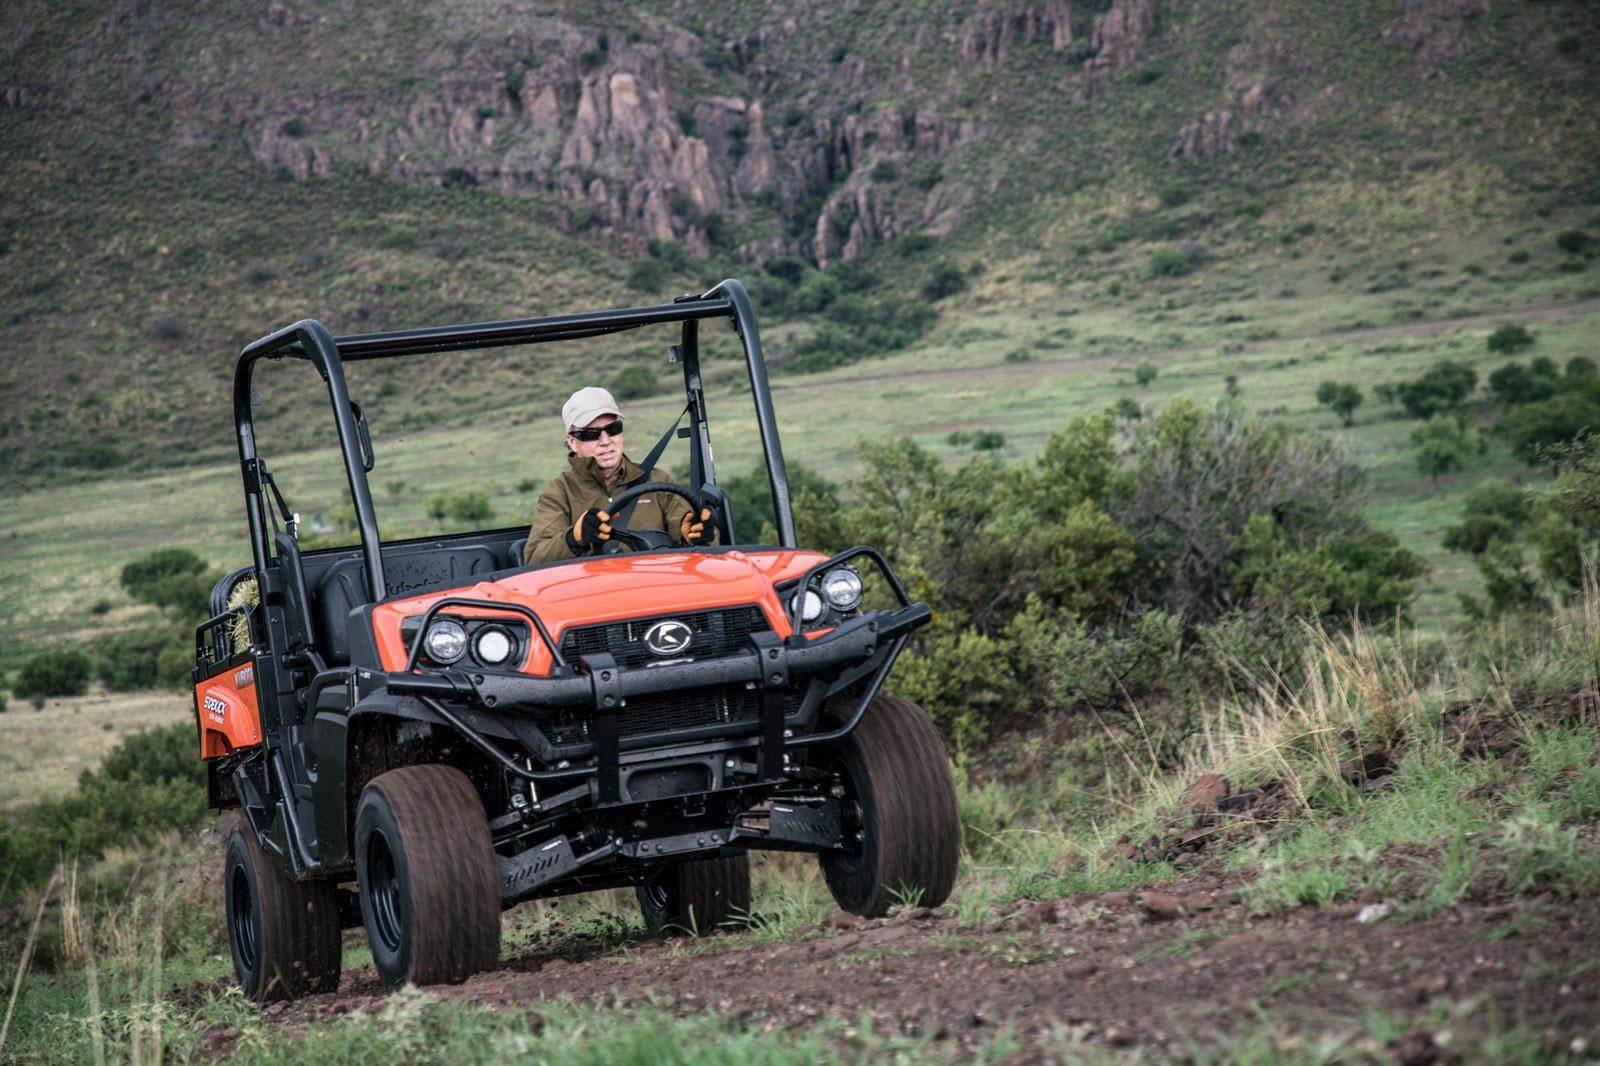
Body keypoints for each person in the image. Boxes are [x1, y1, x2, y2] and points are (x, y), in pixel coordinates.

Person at [522, 387, 715, 565]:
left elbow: (698, 539)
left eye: (613, 429)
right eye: (591, 434)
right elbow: (534, 559)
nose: (606, 441)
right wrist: (574, 537)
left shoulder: (659, 482)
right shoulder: (560, 491)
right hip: (593, 596)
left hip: (656, 589)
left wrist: (697, 534)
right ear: (572, 442)